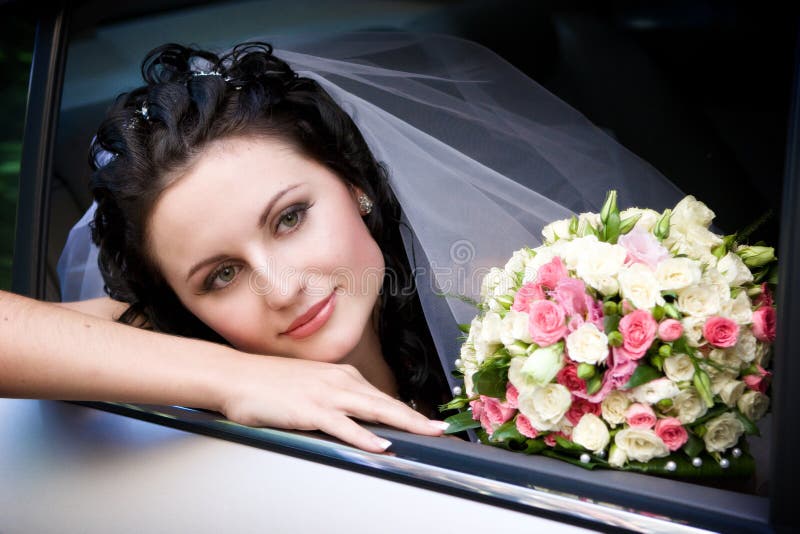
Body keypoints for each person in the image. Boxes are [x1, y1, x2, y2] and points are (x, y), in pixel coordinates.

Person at [4, 33, 685, 452]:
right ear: (179, 304)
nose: (281, 287)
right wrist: (236, 377)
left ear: (356, 183)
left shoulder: (517, 289)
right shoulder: (175, 346)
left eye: (290, 218)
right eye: (219, 276)